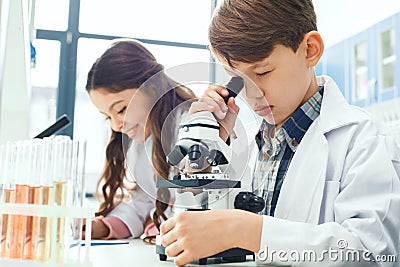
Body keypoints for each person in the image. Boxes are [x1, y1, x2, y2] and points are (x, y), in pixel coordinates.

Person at [160, 0, 400, 266]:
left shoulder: (365, 141)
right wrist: (206, 153)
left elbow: (374, 254)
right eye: (237, 79)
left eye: (262, 72)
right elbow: (190, 230)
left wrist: (248, 230)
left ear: (310, 50)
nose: (252, 94)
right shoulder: (243, 144)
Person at [85, 39, 197, 239]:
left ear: (152, 89)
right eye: (107, 116)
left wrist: (157, 224)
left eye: (121, 109)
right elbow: (143, 202)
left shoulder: (192, 129)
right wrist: (100, 227)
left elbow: (195, 205)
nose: (115, 125)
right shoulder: (142, 144)